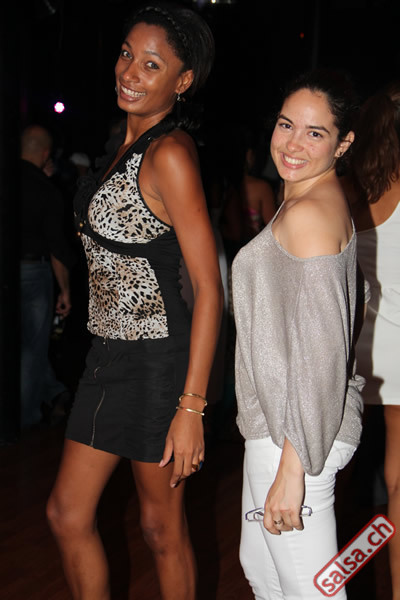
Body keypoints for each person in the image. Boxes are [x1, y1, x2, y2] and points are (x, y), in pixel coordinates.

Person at [46, 4, 223, 600]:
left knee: (160, 529)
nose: (130, 72)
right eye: (127, 54)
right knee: (66, 515)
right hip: (106, 357)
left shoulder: (169, 154)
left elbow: (208, 287)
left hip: (157, 364)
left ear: (182, 80)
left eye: (152, 64)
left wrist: (192, 407)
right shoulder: (119, 149)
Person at [232, 70, 364, 599]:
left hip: (294, 435)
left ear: (343, 143)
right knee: (262, 570)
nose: (292, 144)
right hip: (281, 424)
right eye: (287, 125)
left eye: (315, 133)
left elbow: (322, 352)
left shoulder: (310, 214)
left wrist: (294, 466)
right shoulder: (309, 200)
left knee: (311, 592)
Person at [343, 83, 400, 600]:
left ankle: (331, 583)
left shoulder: (344, 190)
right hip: (398, 355)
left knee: (339, 480)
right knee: (399, 481)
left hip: (349, 350)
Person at [20, 125, 72, 429]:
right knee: (32, 348)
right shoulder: (46, 190)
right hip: (33, 271)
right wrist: (65, 290)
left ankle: (52, 393)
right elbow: (56, 246)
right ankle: (24, 418)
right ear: (45, 153)